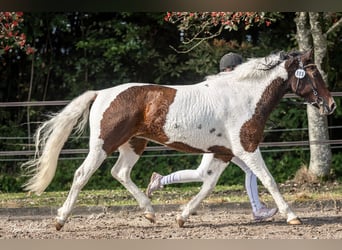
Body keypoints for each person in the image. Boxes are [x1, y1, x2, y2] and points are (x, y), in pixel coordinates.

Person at [145, 52, 278, 222]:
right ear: (232, 69)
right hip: (219, 139)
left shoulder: (219, 84)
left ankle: (161, 179)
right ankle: (257, 208)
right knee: (248, 169)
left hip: (217, 138)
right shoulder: (228, 87)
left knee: (203, 173)